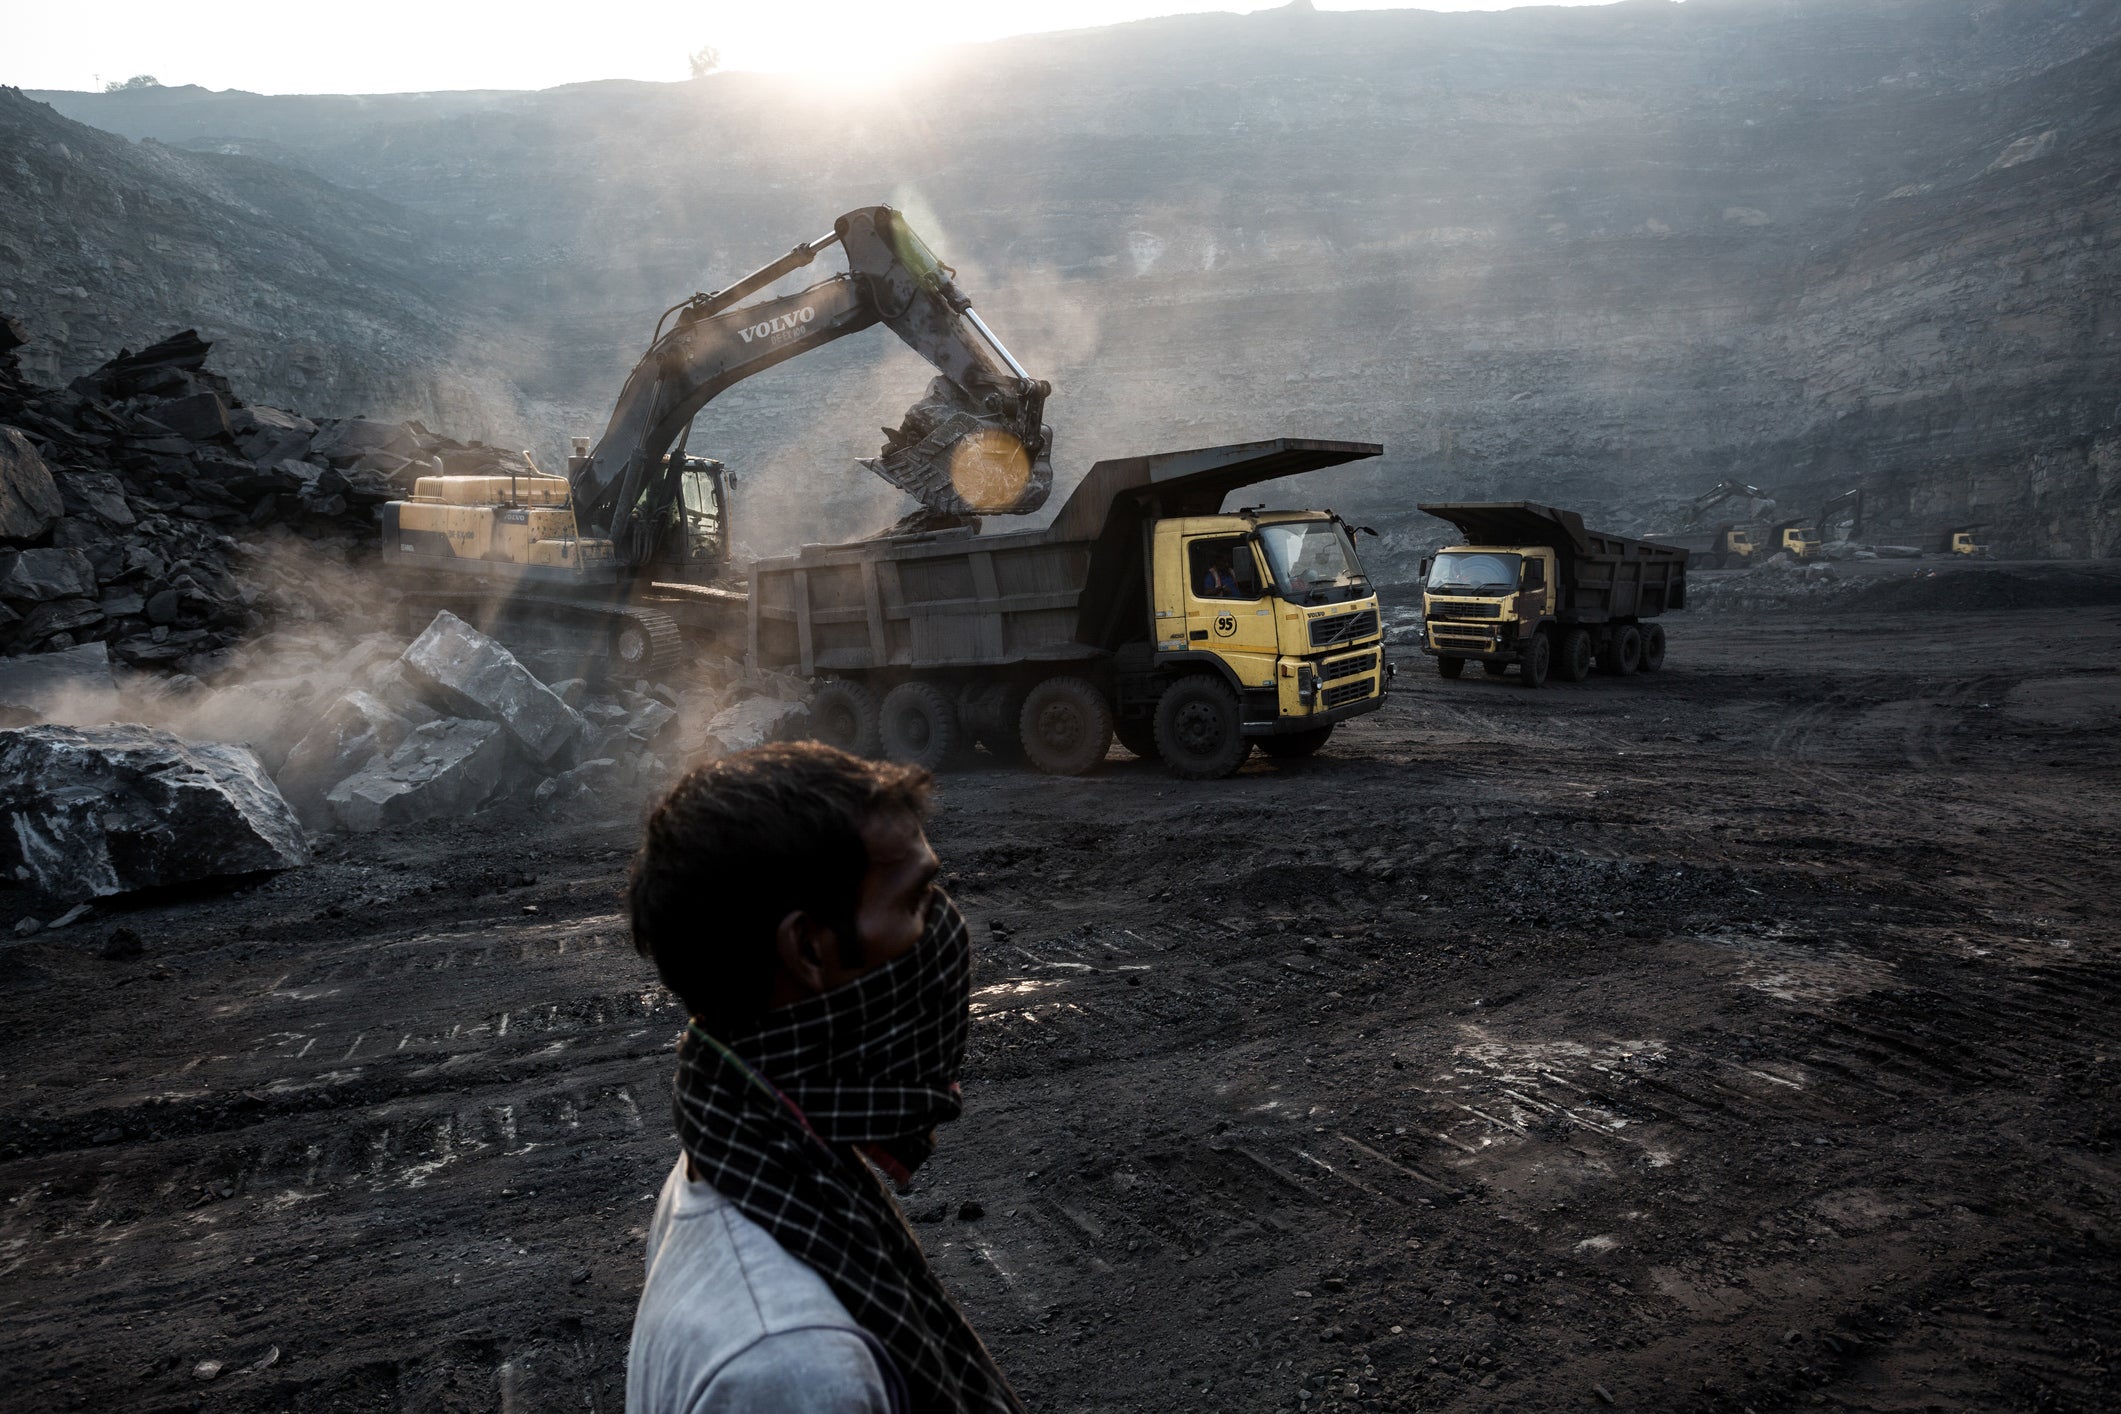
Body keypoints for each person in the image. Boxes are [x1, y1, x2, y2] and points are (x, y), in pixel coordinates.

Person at [626, 742, 1023, 1414]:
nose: (945, 927)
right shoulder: (795, 1372)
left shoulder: (741, 1153)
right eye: (917, 899)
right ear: (809, 948)